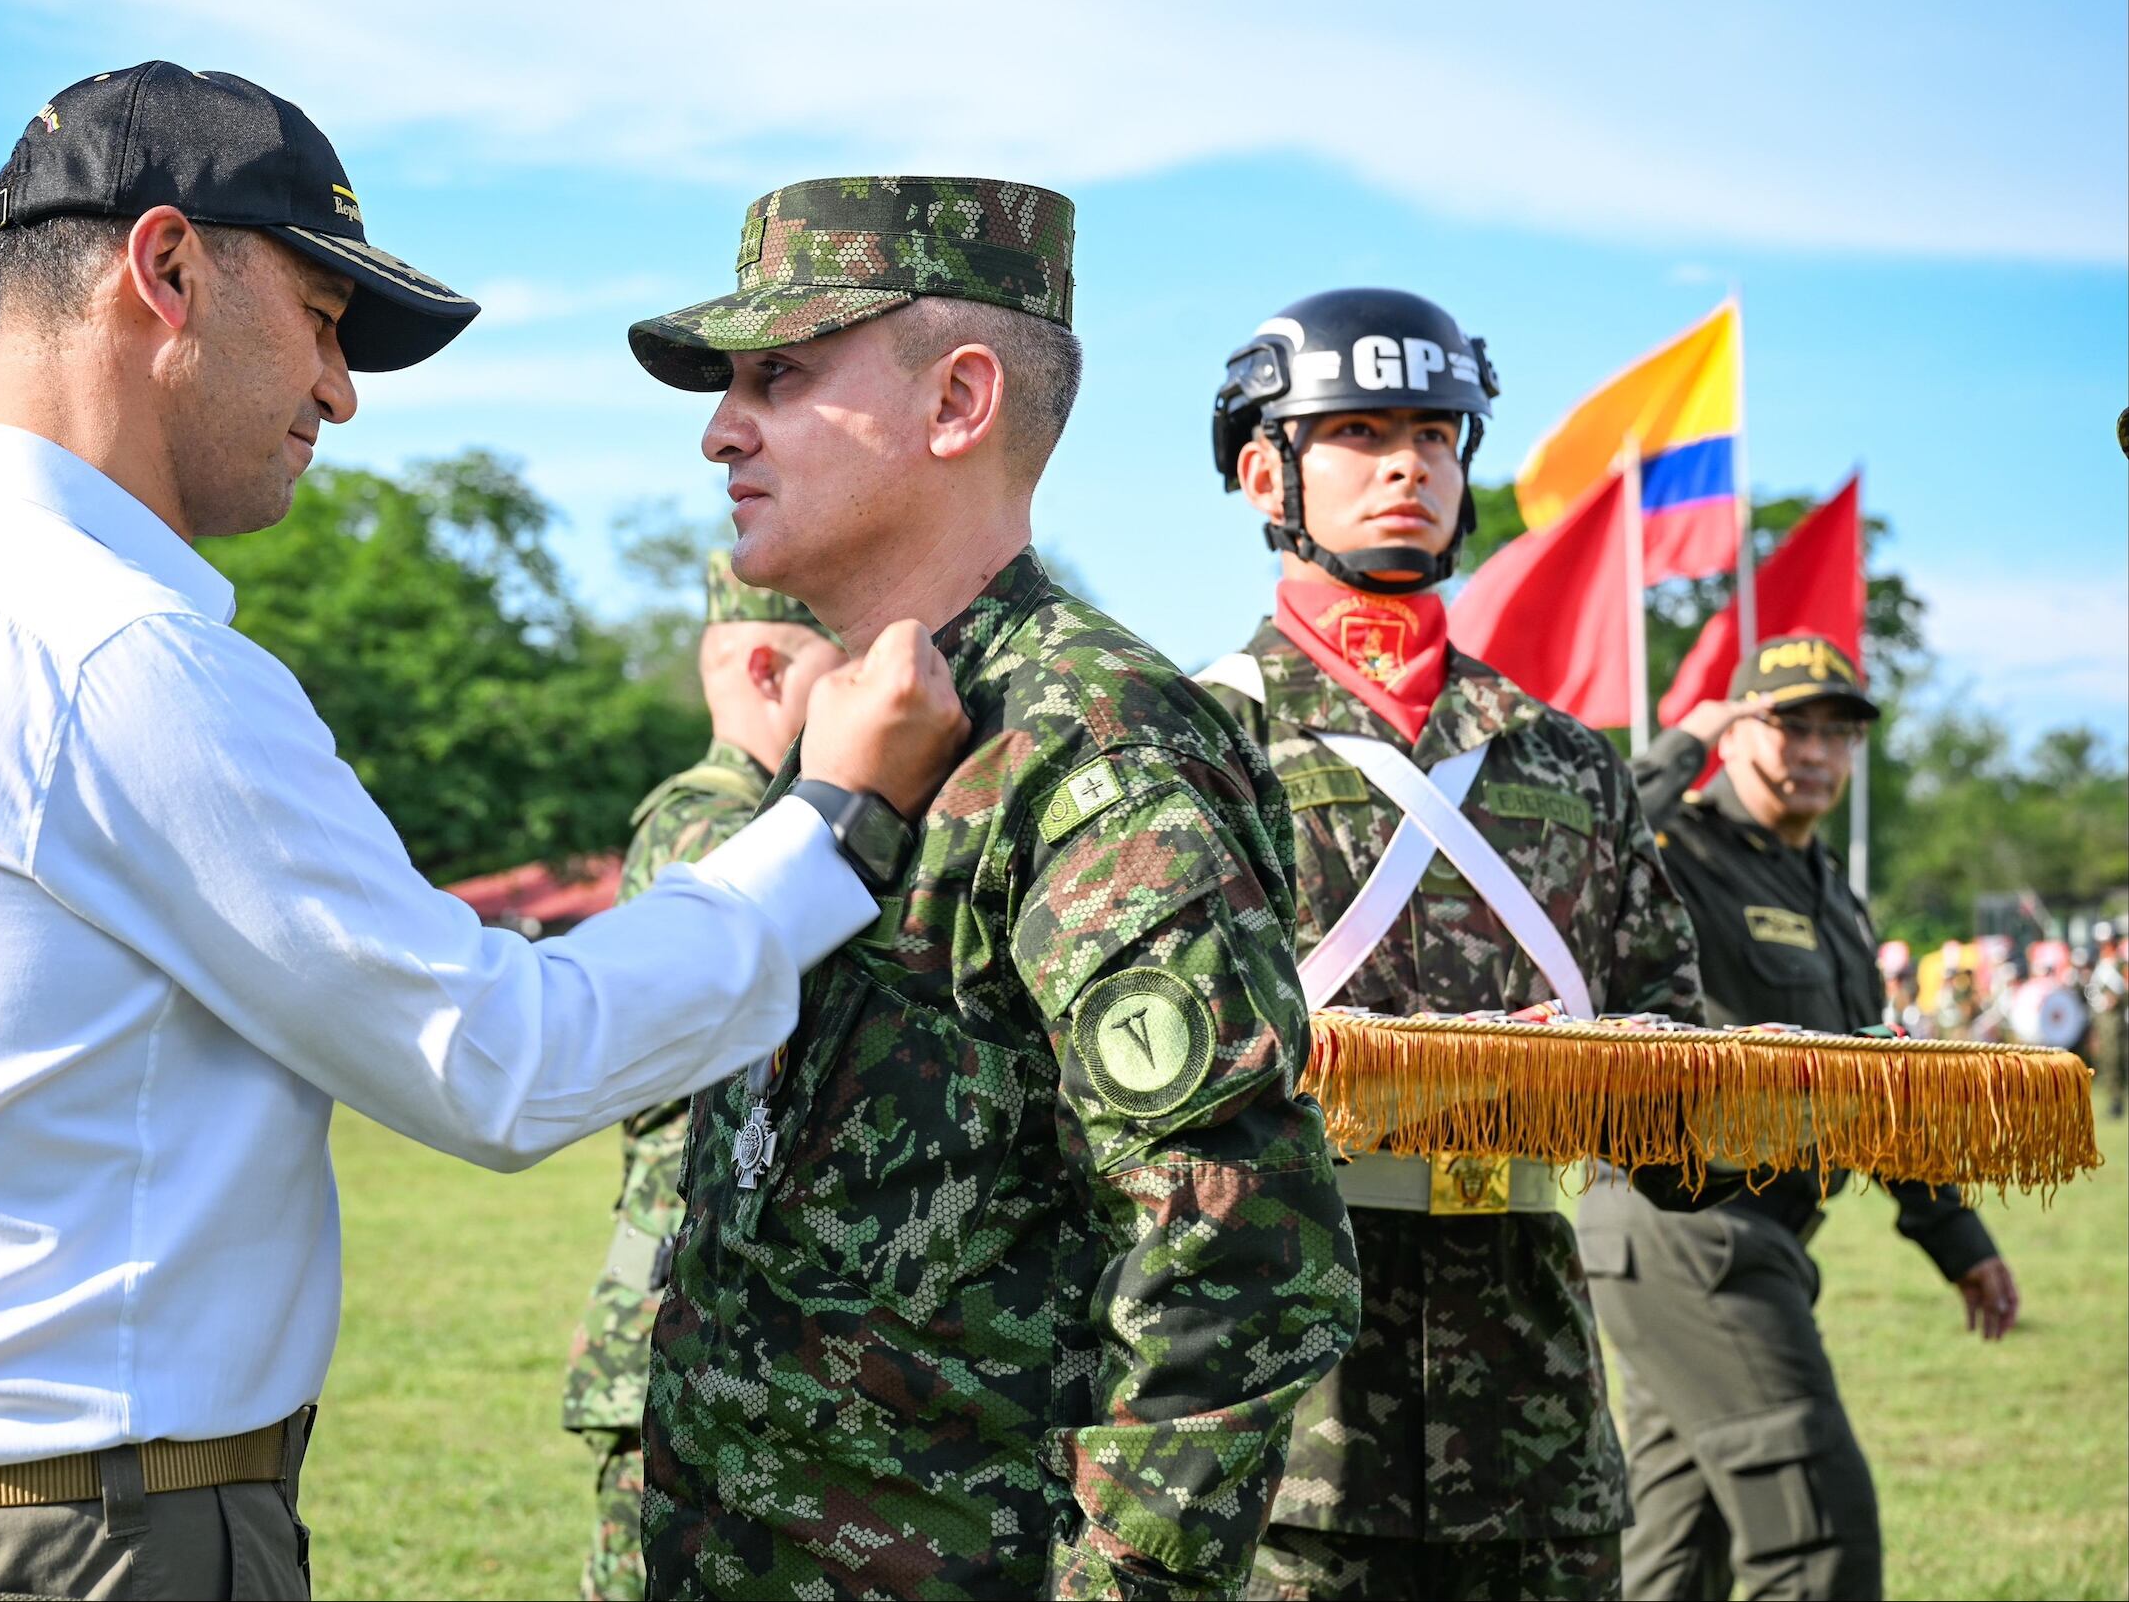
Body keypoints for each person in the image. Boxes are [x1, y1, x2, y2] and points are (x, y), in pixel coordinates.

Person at [0, 66, 971, 1602]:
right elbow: (500, 1058)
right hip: (81, 1541)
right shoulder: (112, 656)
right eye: (320, 316)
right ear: (167, 271)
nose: (340, 389)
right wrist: (828, 822)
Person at [628, 176, 1359, 1599]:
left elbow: (1233, 1245)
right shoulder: (861, 729)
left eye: (778, 377)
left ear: (959, 404)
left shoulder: (1088, 740)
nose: (721, 428)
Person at [1194, 289, 1713, 1602]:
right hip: (1268, 1433)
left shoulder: (1567, 760)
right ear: (1267, 470)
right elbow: (1104, 1085)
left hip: (1531, 1438)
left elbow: (1684, 1063)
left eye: (1434, 431)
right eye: (1356, 432)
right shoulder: (1181, 747)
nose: (1407, 463)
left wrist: (1640, 1078)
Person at [1583, 636, 2021, 1601]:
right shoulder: (1677, 851)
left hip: (1751, 1235)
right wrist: (1678, 746)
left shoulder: (1831, 893)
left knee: (1671, 1555)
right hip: (1689, 1225)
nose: (1815, 752)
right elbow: (1582, 835)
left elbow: (1871, 1074)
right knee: (1819, 1539)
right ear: (1735, 732)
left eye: (1836, 733)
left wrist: (1957, 1236)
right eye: (1787, 725)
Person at [560, 554, 844, 1601]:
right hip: (689, 1321)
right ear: (769, 668)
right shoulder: (713, 829)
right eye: (844, 665)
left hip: (732, 1317)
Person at [2090, 926, 2127, 1118]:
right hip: (2102, 1019)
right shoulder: (2100, 964)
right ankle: (2113, 1099)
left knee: (2116, 1059)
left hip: (2116, 1019)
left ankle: (2117, 1101)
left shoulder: (2121, 963)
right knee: (2106, 1060)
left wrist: (2117, 998)